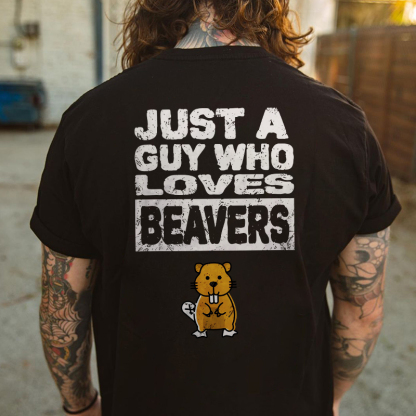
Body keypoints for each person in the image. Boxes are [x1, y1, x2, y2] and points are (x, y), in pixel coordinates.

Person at [30, 1, 402, 415]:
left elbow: (63, 302)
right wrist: (328, 399)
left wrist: (80, 403)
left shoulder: (90, 120)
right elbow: (362, 310)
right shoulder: (343, 126)